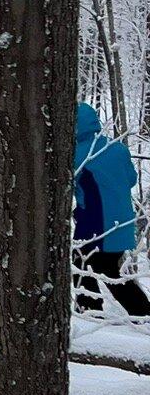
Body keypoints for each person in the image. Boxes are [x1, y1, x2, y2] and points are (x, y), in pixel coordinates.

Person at [73, 101, 150, 317]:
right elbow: (132, 180)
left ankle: (90, 313)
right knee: (108, 270)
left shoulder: (76, 154)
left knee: (85, 265)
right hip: (123, 223)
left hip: (96, 224)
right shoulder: (117, 148)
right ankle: (141, 314)